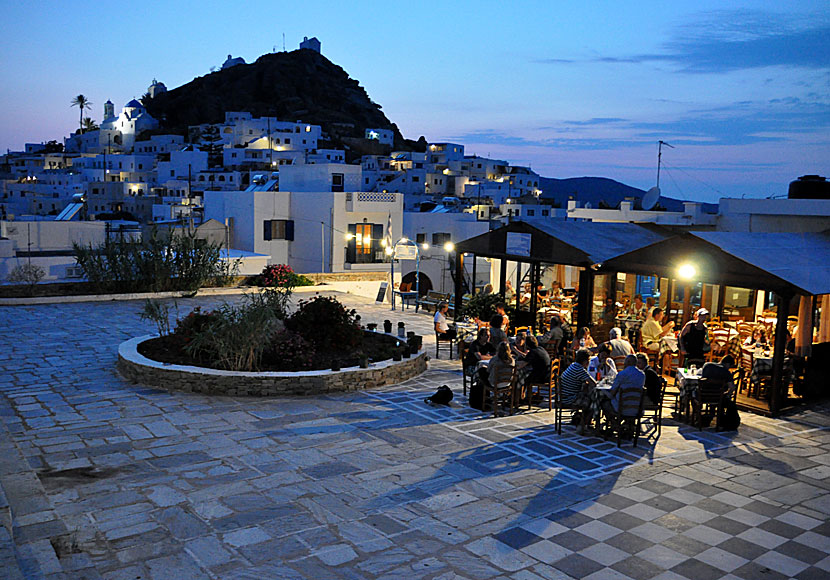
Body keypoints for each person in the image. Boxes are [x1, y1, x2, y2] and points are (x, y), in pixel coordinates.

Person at [602, 355, 645, 419]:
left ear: (628, 362)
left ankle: (614, 423)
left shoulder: (622, 374)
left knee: (604, 403)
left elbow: (612, 393)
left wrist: (604, 390)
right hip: (637, 408)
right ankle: (628, 424)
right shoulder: (642, 375)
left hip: (621, 408)